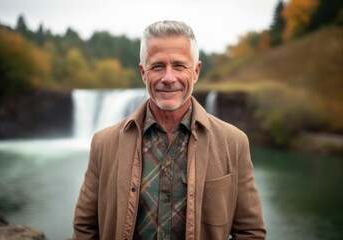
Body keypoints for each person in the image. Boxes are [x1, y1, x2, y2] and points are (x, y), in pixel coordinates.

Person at [73, 20, 266, 240]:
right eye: (157, 66)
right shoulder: (103, 143)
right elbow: (85, 227)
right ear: (143, 72)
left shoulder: (234, 143)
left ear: (196, 71)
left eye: (179, 65)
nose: (168, 78)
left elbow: (250, 232)